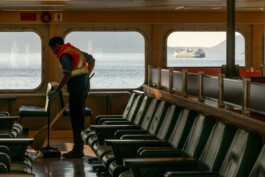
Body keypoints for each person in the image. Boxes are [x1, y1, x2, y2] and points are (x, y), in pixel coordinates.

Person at [48, 36, 95, 158]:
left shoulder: (65, 55)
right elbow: (92, 60)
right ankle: (78, 148)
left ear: (57, 46)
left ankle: (78, 150)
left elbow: (67, 74)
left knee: (76, 119)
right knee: (79, 117)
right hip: (83, 87)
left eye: (53, 49)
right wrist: (85, 75)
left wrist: (57, 90)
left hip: (77, 90)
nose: (53, 52)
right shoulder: (74, 50)